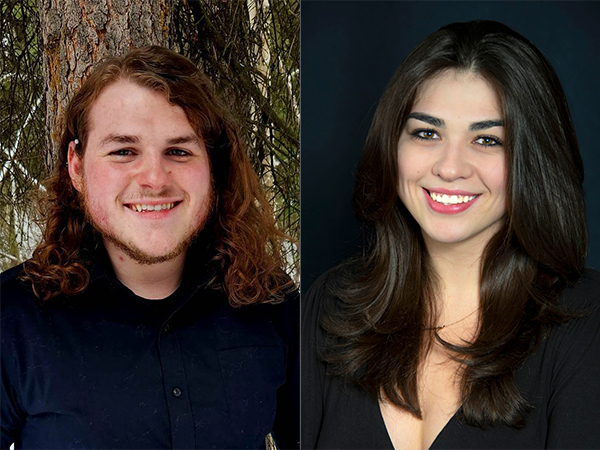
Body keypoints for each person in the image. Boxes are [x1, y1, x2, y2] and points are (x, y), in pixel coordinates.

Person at [302, 20, 600, 449]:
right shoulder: (330, 307)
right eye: (427, 133)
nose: (449, 167)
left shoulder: (587, 324)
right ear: (393, 144)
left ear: (534, 159)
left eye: (488, 140)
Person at [1, 46, 298, 449]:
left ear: (213, 167)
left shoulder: (273, 307)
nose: (155, 178)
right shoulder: (13, 319)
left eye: (179, 151)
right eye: (123, 151)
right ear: (76, 166)